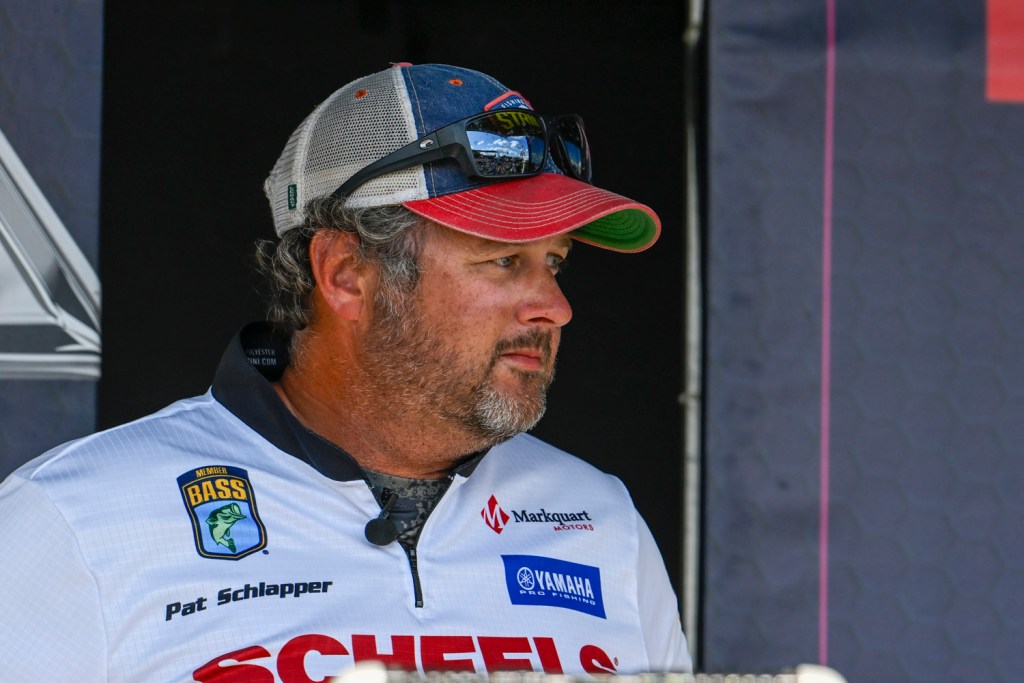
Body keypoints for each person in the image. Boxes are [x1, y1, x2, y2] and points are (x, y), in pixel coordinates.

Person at [0, 63, 691, 681]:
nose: (556, 308)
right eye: (504, 260)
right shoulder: (73, 522)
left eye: (555, 262)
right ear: (345, 273)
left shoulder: (602, 519)